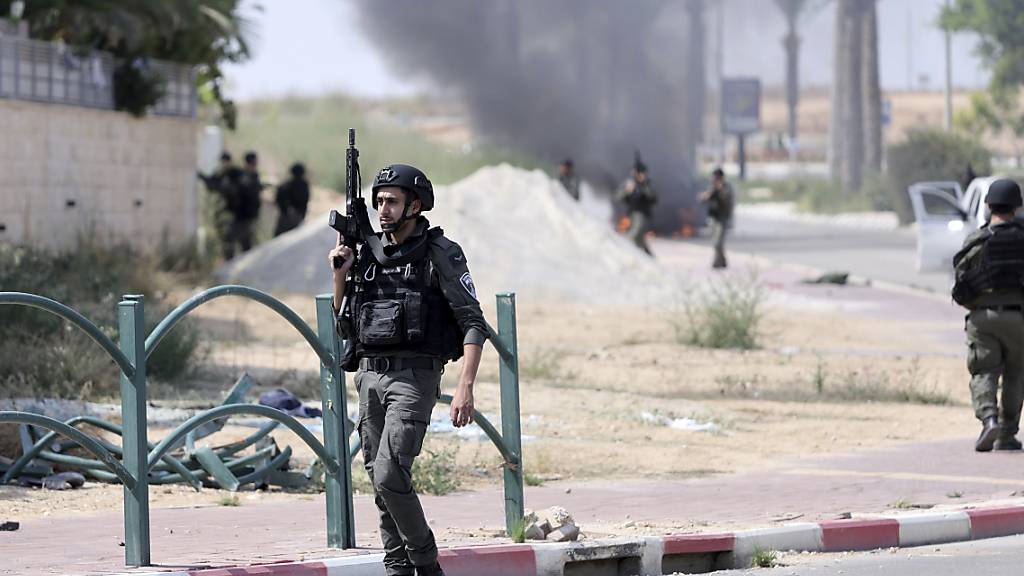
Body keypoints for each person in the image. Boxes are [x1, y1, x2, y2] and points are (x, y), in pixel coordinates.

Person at [328, 164, 486, 576]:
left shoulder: (440, 253)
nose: (383, 209)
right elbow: (344, 323)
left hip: (414, 378)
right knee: (380, 484)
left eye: (392, 202)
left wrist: (465, 387)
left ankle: (425, 563)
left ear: (414, 206)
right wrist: (340, 276)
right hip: (369, 376)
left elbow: (473, 321)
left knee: (389, 474)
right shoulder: (366, 253)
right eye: (378, 201)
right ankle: (397, 567)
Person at [952, 179, 1024, 452]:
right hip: (1018, 319)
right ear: (1017, 207)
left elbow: (960, 285)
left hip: (981, 318)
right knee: (1017, 374)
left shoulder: (976, 241)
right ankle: (1007, 434)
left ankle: (989, 420)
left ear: (988, 206)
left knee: (984, 371)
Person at [197, 152, 243, 257]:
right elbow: (212, 183)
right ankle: (228, 258)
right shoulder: (222, 173)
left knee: (233, 237)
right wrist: (202, 177)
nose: (224, 164)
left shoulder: (236, 173)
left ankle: (233, 259)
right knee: (225, 237)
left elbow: (232, 190)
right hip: (225, 211)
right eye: (223, 162)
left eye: (225, 162)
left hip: (235, 212)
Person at [222, 151, 263, 258]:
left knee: (232, 240)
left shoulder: (248, 176)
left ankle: (232, 266)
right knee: (243, 243)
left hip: (244, 215)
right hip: (244, 215)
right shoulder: (246, 175)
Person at [616, 154, 657, 256]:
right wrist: (627, 191)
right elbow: (617, 197)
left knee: (632, 237)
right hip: (631, 215)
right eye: (639, 173)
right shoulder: (629, 183)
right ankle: (649, 260)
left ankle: (632, 257)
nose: (641, 175)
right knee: (639, 241)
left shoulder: (647, 185)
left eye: (643, 173)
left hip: (643, 215)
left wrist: (642, 188)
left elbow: (653, 198)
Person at [700, 167, 735, 269]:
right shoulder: (712, 188)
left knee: (718, 242)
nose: (713, 180)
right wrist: (707, 195)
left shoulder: (726, 188)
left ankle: (717, 263)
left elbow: (727, 202)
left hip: (722, 218)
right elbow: (703, 199)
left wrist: (720, 191)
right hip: (713, 218)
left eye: (716, 178)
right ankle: (722, 261)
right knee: (715, 242)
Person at [274, 162, 311, 236]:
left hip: (288, 217)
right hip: (295, 217)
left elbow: (278, 199)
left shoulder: (287, 185)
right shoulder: (303, 185)